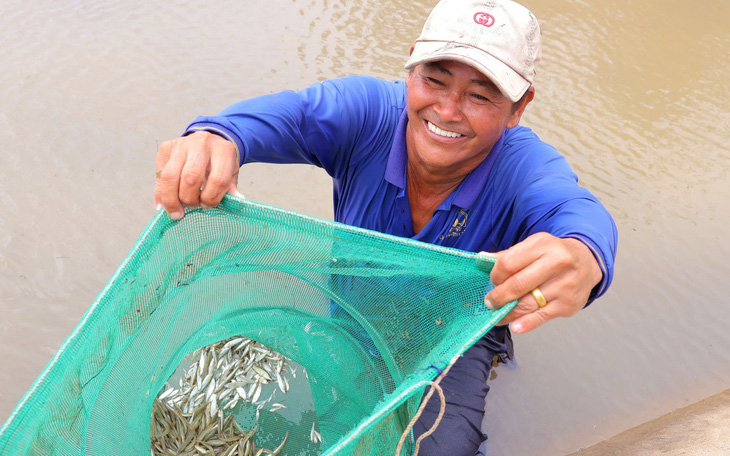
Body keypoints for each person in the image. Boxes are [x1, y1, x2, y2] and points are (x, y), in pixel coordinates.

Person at [154, 0, 618, 453]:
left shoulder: (524, 167)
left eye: (480, 95)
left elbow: (577, 214)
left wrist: (585, 255)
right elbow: (284, 117)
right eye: (434, 80)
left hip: (455, 338)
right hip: (352, 320)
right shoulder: (366, 116)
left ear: (518, 108)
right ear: (410, 73)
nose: (448, 110)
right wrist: (216, 138)